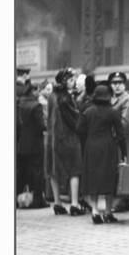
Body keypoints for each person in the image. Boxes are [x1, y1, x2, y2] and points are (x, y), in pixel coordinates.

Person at [77, 83, 127, 224]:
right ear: (108, 96)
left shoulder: (88, 111)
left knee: (94, 178)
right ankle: (108, 212)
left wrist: (86, 141)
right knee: (109, 178)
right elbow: (121, 134)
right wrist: (123, 151)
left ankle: (95, 211)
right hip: (108, 147)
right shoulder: (113, 112)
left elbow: (79, 129)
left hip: (91, 146)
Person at [45, 68, 85, 216]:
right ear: (64, 82)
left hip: (52, 138)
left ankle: (57, 203)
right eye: (70, 80)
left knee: (53, 171)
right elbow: (75, 119)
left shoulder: (51, 96)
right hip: (68, 138)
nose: (73, 82)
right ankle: (74, 204)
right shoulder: (66, 98)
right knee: (74, 170)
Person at [16, 81, 49, 208]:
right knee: (37, 173)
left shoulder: (19, 104)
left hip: (21, 144)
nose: (39, 93)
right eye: (38, 90)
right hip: (35, 144)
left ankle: (17, 198)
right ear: (33, 91)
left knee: (22, 172)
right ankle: (37, 201)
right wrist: (47, 126)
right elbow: (41, 125)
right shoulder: (36, 106)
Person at [109, 71, 129, 212]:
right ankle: (121, 199)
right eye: (114, 83)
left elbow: (125, 122)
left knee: (126, 167)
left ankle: (124, 200)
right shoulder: (110, 99)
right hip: (114, 139)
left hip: (125, 139)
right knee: (117, 168)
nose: (117, 86)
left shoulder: (128, 99)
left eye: (120, 83)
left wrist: (110, 133)